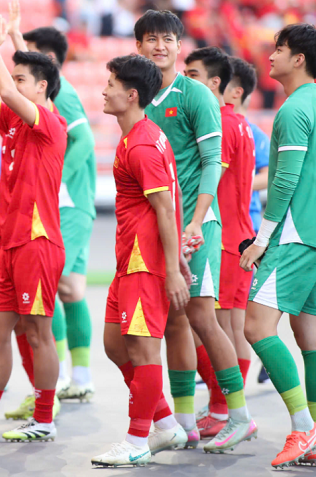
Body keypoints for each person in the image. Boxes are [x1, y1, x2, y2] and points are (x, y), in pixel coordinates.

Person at [135, 10, 255, 453]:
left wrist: (197, 218)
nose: (159, 46)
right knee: (174, 324)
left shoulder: (197, 96)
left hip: (196, 225)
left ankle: (239, 415)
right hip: (162, 226)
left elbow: (212, 163)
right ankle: (184, 423)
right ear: (139, 47)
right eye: (151, 39)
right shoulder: (139, 96)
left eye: (167, 39)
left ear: (178, 46)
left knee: (203, 316)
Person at [0, 13, 65, 442]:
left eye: (23, 79)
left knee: (38, 332)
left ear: (40, 87)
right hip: (6, 243)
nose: (14, 85)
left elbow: (2, 88)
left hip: (37, 241)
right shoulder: (14, 124)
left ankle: (44, 420)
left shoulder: (47, 124)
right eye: (16, 77)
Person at [92, 54, 190, 467]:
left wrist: (171, 268)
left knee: (143, 351)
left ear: (131, 95)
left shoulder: (144, 144)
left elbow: (165, 209)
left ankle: (137, 440)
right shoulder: (138, 136)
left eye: (111, 83)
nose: (104, 89)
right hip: (128, 259)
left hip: (144, 262)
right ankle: (166, 423)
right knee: (115, 345)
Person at [7, 0, 97, 410]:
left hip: (68, 202)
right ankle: (74, 374)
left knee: (58, 285)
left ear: (49, 62)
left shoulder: (67, 95)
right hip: (61, 202)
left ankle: (65, 373)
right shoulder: (39, 97)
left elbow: (86, 141)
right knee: (71, 287)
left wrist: (54, 180)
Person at [241, 23, 316, 468]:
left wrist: (261, 239)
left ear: (299, 59)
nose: (270, 56)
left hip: (294, 235)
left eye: (279, 50)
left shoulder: (292, 110)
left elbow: (284, 180)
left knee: (256, 327)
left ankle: (302, 427)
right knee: (308, 335)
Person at [183, 47, 256, 439]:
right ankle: (227, 408)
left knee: (208, 327)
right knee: (229, 325)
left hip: (224, 235)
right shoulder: (240, 122)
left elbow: (210, 176)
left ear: (217, 83)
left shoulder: (221, 124)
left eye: (192, 76)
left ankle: (223, 408)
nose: (185, 83)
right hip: (240, 232)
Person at [224, 57, 272, 384]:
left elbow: (269, 174)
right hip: (219, 226)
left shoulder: (253, 133)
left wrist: (239, 182)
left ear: (237, 91)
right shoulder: (209, 126)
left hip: (246, 228)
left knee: (237, 309)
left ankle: (257, 359)